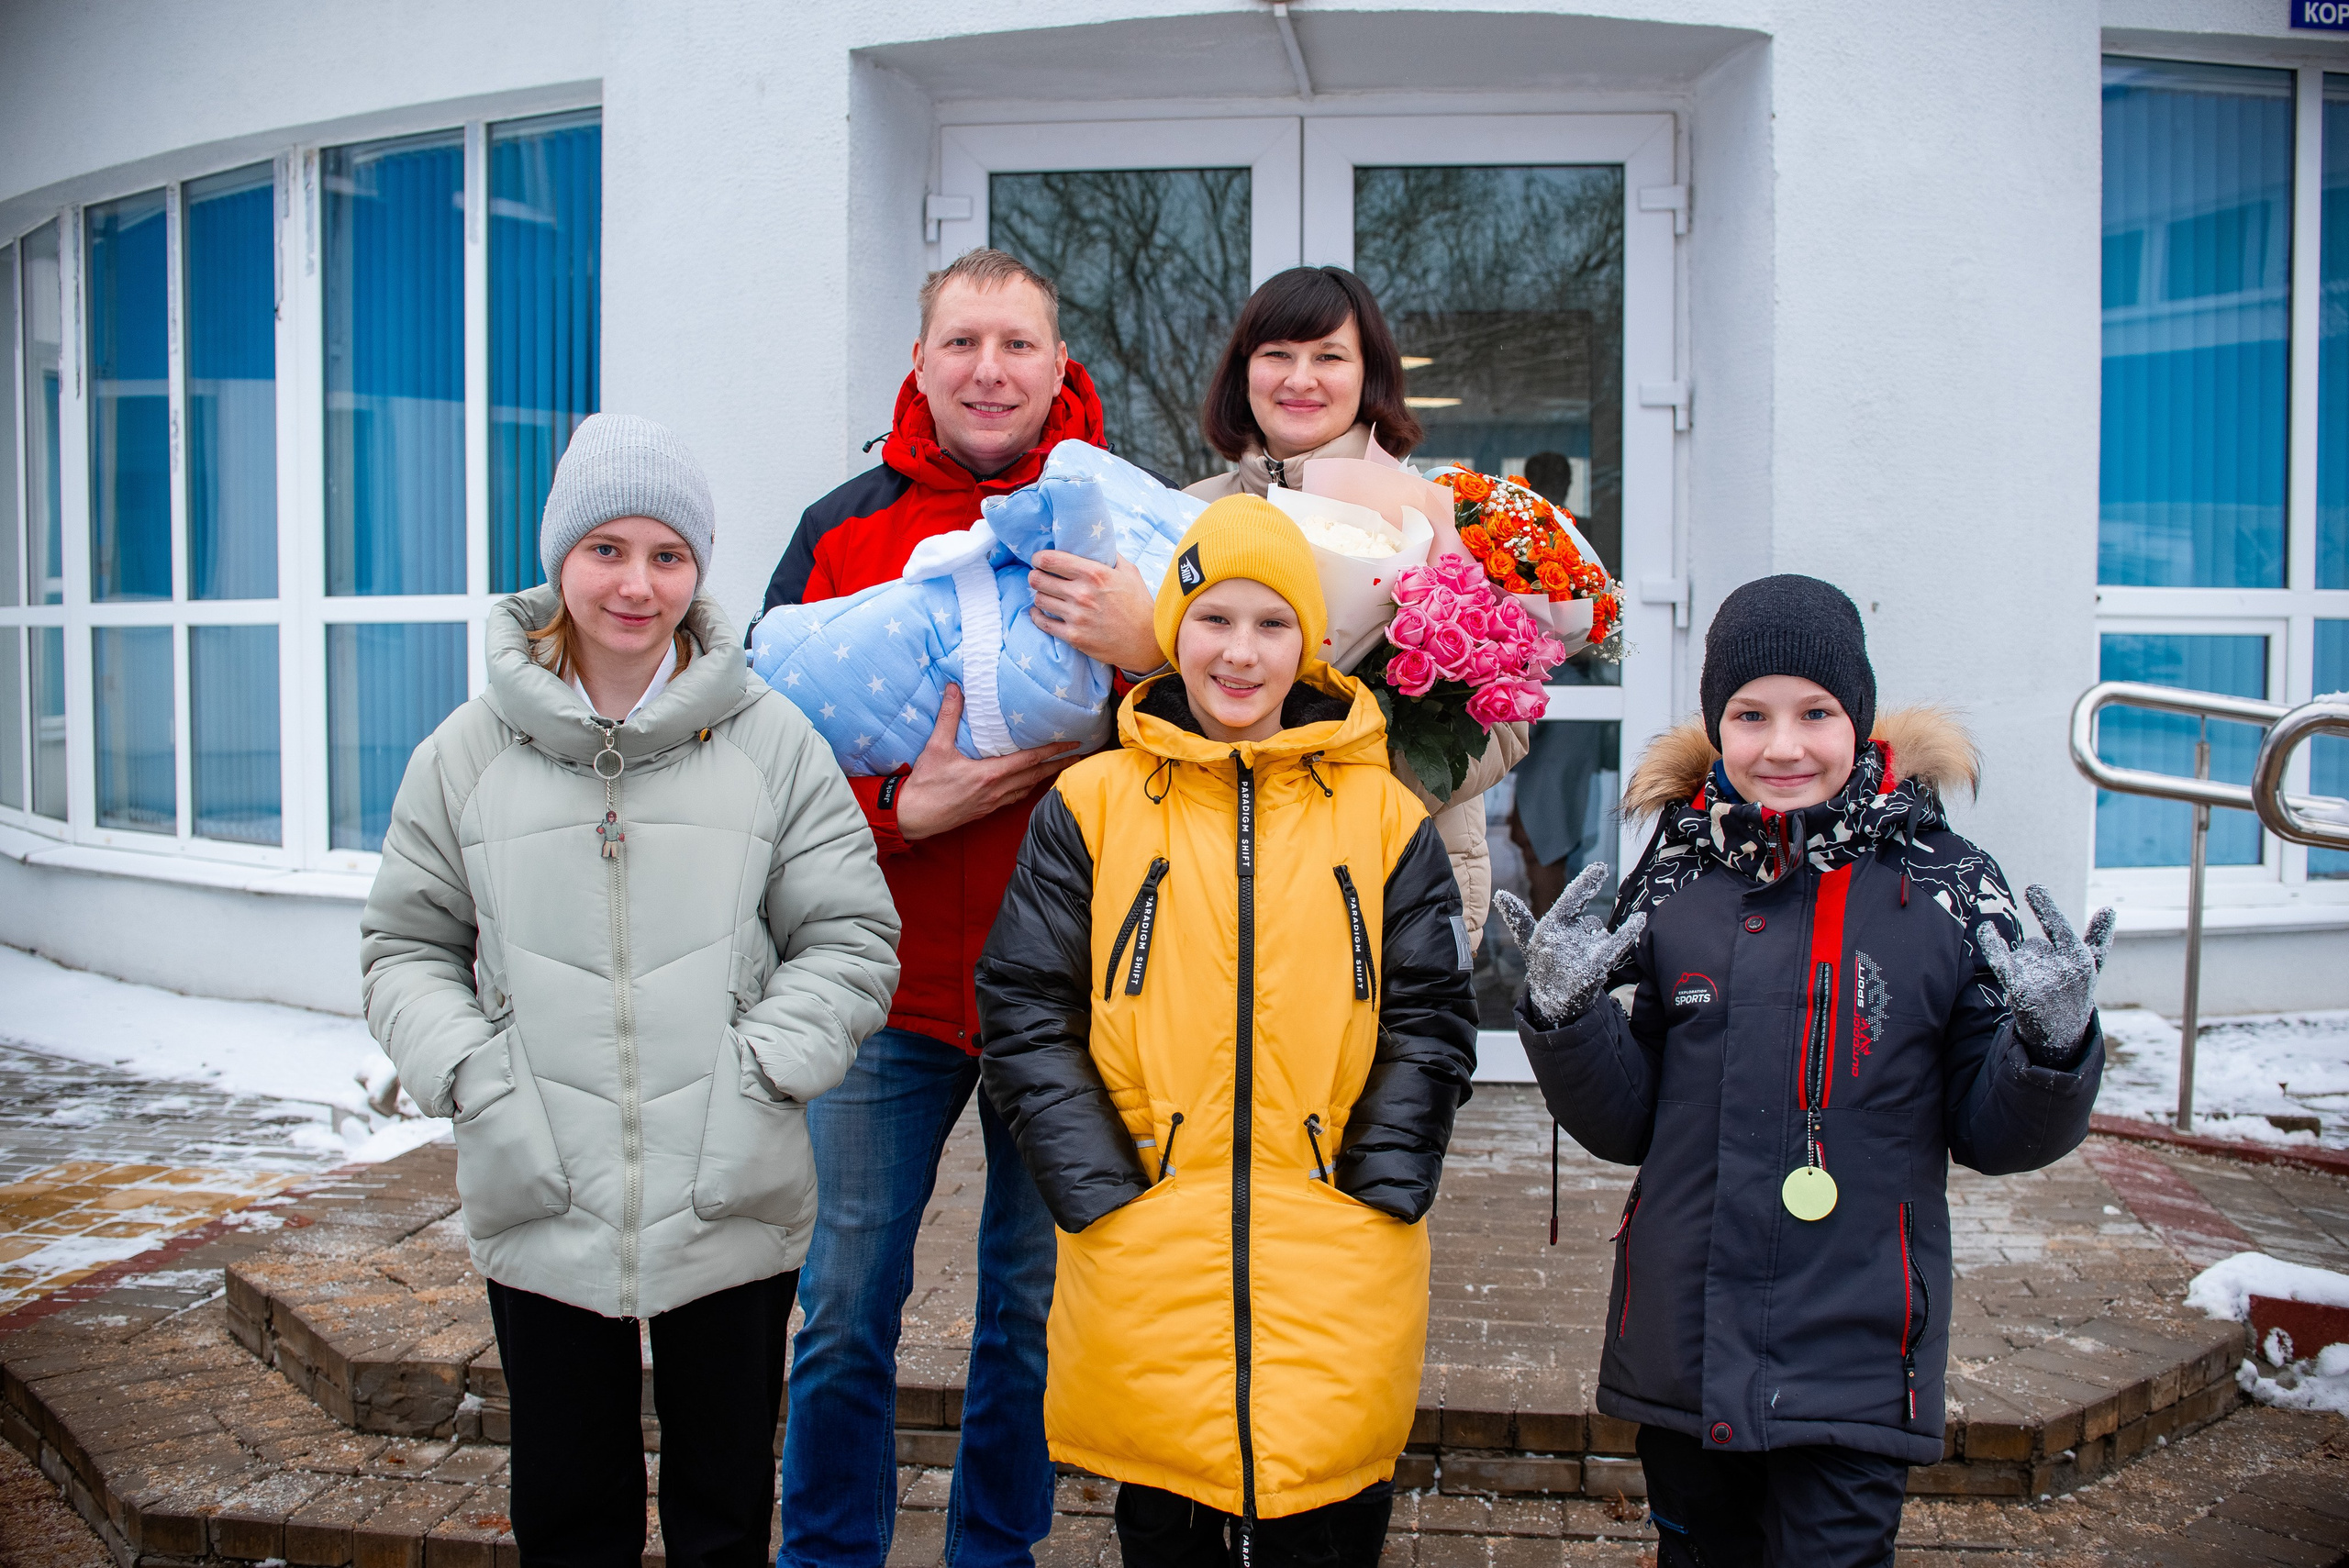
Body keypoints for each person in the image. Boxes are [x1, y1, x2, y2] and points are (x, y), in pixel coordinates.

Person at [360, 414, 902, 1567]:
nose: (635, 583)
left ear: (698, 569)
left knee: (721, 1515)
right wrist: (474, 1072)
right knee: (569, 1513)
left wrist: (762, 1070)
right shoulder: (466, 752)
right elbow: (405, 945)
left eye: (667, 553)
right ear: (559, 560)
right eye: (605, 548)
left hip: (728, 1186)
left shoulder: (771, 743)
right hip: (540, 1177)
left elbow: (850, 937)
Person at [1496, 575, 2112, 1568]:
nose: (1781, 745)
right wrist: (1567, 1021)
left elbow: (1995, 1134)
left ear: (1858, 719)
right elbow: (1629, 1122)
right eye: (1749, 714)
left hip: (1858, 1343)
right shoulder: (1676, 870)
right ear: (1716, 723)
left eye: (1814, 712)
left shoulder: (1945, 883)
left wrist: (2048, 1046)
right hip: (1683, 1336)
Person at [976, 496, 1480, 1568]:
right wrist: (1101, 1191)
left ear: (1310, 643)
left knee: (1331, 1522)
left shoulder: (1382, 814)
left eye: (1270, 623)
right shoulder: (1092, 802)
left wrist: (1380, 1182)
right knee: (1165, 1522)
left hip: (1335, 1240)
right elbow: (1025, 1009)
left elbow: (1431, 1012)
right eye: (1213, 619)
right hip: (1152, 1237)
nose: (1240, 652)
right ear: (1175, 630)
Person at [762, 249, 1158, 1568]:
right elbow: (753, 766)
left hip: (1073, 991)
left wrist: (1140, 649)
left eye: (1018, 344)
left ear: (1060, 366)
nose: (990, 369)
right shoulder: (841, 532)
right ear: (920, 364)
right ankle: (827, 1555)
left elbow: (1221, 728)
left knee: (1032, 1311)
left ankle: (997, 1552)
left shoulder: (1135, 542)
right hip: (886, 985)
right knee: (841, 1309)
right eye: (963, 343)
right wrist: (903, 816)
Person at [1186, 264, 1528, 948]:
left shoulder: (1426, 515)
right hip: (1218, 877)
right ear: (1243, 371)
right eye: (1277, 353)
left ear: (1368, 375)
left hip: (1395, 878)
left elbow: (1506, 726)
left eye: (1329, 356)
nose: (1300, 378)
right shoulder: (1192, 513)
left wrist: (1350, 781)